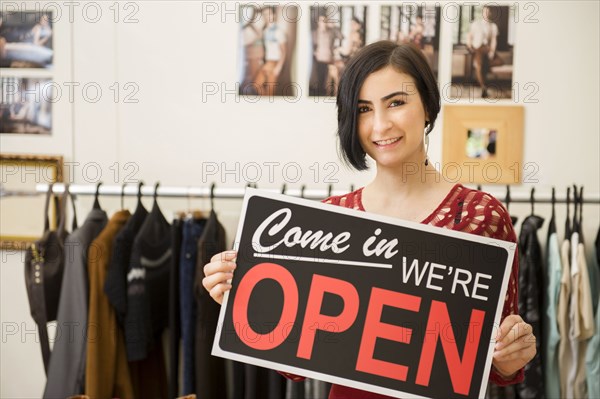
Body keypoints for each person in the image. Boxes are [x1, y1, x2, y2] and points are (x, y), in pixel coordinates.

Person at [202, 41, 536, 399]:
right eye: (363, 109)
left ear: (427, 106)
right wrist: (243, 301)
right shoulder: (328, 220)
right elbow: (294, 365)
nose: (380, 124)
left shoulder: (480, 216)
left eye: (396, 102)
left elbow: (498, 361)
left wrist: (511, 354)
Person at [466, 6, 504, 98]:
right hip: (477, 48)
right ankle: (484, 88)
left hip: (486, 49)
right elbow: (469, 36)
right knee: (479, 65)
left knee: (500, 61)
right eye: (484, 12)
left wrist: (492, 51)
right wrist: (469, 46)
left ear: (490, 13)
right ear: (482, 13)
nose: (486, 14)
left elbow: (494, 40)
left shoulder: (493, 26)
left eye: (488, 12)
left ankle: (480, 74)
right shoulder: (475, 24)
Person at [254, 6, 287, 97]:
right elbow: (265, 48)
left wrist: (279, 67)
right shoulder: (265, 30)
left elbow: (284, 51)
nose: (266, 16)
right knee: (256, 85)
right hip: (268, 62)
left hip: (275, 63)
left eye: (269, 14)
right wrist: (262, 60)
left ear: (273, 15)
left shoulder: (278, 31)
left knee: (270, 92)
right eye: (264, 14)